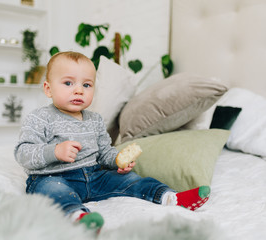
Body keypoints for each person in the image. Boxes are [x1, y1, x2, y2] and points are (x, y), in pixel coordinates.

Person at [14, 51, 210, 232]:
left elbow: (104, 151)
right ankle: (78, 217)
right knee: (54, 192)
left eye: (86, 85)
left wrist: (117, 160)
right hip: (53, 177)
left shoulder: (95, 120)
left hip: (93, 176)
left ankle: (171, 197)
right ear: (48, 89)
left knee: (130, 179)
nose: (79, 91)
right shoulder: (40, 118)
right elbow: (23, 153)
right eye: (68, 83)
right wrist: (54, 151)